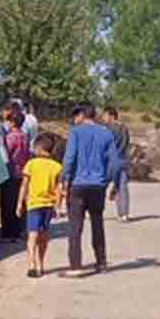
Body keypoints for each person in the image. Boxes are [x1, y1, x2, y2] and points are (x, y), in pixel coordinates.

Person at [61, 104, 124, 274]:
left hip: (78, 185)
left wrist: (63, 180)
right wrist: (110, 182)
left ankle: (75, 266)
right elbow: (115, 162)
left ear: (82, 115)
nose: (75, 119)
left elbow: (70, 158)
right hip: (98, 185)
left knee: (75, 226)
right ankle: (101, 263)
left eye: (76, 115)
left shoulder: (76, 132)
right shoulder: (106, 133)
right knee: (97, 223)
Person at [18, 132, 63, 278]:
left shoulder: (31, 164)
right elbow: (58, 189)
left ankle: (31, 265)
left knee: (32, 236)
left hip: (34, 205)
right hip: (48, 206)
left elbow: (24, 185)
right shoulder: (57, 166)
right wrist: (58, 205)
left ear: (39, 148)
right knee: (43, 237)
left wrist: (19, 203)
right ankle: (40, 265)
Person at [0, 110, 31, 242]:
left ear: (12, 122)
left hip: (11, 174)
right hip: (22, 173)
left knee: (8, 204)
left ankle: (9, 233)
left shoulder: (10, 138)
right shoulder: (24, 136)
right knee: (20, 202)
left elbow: (6, 155)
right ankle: (20, 230)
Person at [102, 106, 132, 222]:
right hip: (123, 160)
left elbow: (104, 147)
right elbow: (126, 145)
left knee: (100, 185)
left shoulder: (107, 129)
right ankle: (123, 214)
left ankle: (95, 210)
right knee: (122, 186)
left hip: (110, 161)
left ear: (111, 116)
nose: (103, 118)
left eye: (105, 115)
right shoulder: (124, 128)